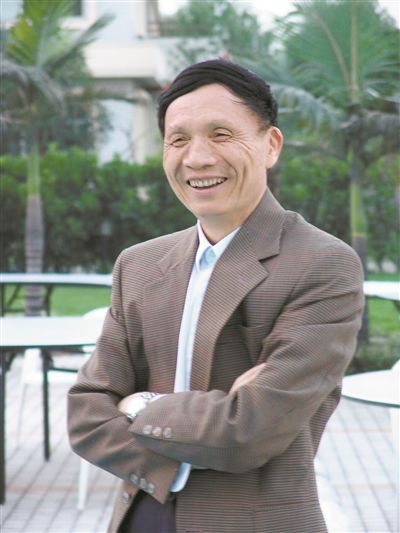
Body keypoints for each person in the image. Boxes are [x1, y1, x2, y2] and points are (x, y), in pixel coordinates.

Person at [67, 59, 364, 533]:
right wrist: (192, 437)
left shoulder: (322, 264)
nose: (198, 158)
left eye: (221, 134)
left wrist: (140, 406)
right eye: (178, 139)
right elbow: (86, 413)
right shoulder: (139, 264)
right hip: (141, 512)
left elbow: (250, 429)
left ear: (271, 145)